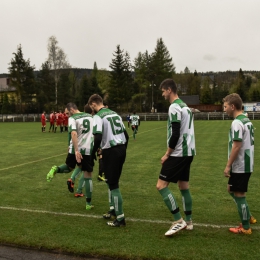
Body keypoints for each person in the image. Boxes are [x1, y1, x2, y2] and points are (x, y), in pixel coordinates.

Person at [156, 79, 196, 237]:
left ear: (169, 90)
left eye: (163, 91)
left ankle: (178, 220)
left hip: (178, 152)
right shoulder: (184, 106)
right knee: (183, 186)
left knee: (161, 186)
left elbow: (176, 133)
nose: (163, 94)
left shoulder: (174, 106)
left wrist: (167, 154)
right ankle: (189, 221)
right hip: (189, 152)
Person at [88, 94, 129, 227]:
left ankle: (120, 218)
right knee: (110, 180)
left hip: (111, 150)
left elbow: (98, 137)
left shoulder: (98, 116)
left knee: (113, 184)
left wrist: (93, 152)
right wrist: (122, 149)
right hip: (120, 148)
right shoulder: (114, 114)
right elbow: (126, 135)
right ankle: (113, 209)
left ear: (93, 104)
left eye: (91, 107)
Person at [47, 103, 94, 210]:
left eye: (67, 113)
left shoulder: (73, 118)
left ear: (72, 109)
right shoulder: (90, 117)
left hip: (74, 149)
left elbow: (73, 133)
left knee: (69, 167)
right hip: (86, 150)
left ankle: (56, 169)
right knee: (88, 175)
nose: (67, 115)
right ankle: (88, 203)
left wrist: (75, 149)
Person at [223, 93, 256, 235]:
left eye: (225, 107)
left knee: (239, 194)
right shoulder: (246, 120)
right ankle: (248, 217)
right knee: (231, 190)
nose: (224, 110)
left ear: (232, 106)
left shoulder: (237, 122)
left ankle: (246, 227)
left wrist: (228, 165)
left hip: (241, 164)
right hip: (247, 162)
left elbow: (236, 146)